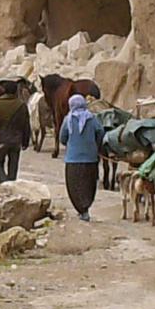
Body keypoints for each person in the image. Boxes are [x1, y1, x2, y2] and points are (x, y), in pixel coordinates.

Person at [58, 93, 104, 221]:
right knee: (89, 184)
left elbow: (62, 137)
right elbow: (100, 132)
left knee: (74, 185)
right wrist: (95, 144)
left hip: (73, 159)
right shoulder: (92, 118)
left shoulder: (68, 119)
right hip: (90, 158)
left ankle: (80, 209)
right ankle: (86, 207)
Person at [0, 81, 31, 183]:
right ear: (16, 91)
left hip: (1, 140)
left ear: (3, 90)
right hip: (16, 141)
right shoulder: (21, 106)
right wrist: (26, 142)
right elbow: (26, 125)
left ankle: (4, 183)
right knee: (13, 165)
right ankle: (11, 185)